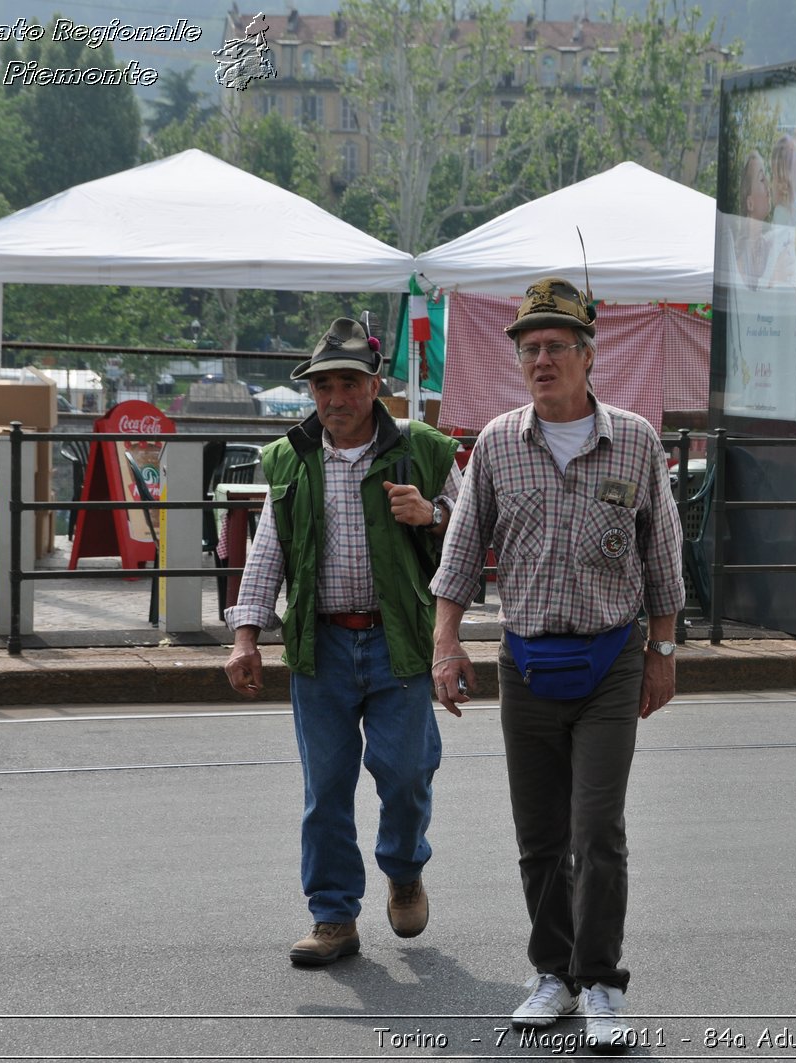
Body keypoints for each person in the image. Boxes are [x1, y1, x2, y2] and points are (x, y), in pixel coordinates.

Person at [429, 277, 685, 1054]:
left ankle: (601, 978)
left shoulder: (636, 439)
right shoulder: (499, 444)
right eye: (529, 348)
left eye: (554, 347)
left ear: (586, 354)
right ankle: (554, 973)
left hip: (611, 659)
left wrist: (663, 653)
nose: (540, 360)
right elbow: (462, 553)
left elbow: (663, 558)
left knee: (596, 827)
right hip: (527, 662)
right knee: (539, 832)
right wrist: (446, 644)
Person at [223, 318, 462, 968]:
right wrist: (246, 636)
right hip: (320, 646)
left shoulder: (425, 449)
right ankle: (333, 916)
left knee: (407, 772)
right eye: (323, 384)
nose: (334, 397)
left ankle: (404, 868)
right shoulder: (290, 457)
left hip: (399, 643)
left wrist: (432, 513)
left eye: (348, 383)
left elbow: (468, 529)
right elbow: (267, 550)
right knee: (325, 786)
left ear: (374, 385)